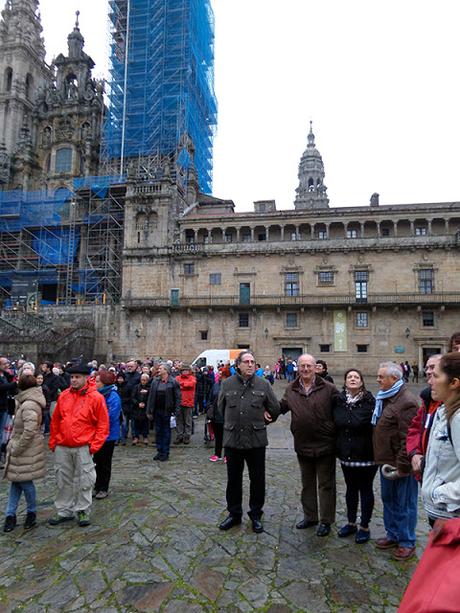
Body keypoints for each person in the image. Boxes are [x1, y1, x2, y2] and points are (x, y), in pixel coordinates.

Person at [218, 350, 280, 534]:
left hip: (256, 440)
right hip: (233, 440)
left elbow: (274, 408)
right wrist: (233, 422)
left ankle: (255, 515)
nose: (251, 364)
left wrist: (265, 418)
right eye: (246, 361)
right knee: (233, 480)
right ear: (238, 365)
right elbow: (221, 408)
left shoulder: (264, 384)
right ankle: (234, 514)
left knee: (257, 480)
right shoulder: (227, 384)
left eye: (253, 361)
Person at [280, 353, 339, 537]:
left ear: (315, 368)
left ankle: (326, 520)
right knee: (307, 484)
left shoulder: (329, 388)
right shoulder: (291, 389)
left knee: (326, 484)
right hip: (303, 443)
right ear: (298, 367)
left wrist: (332, 429)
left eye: (309, 366)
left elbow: (341, 412)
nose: (305, 369)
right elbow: (281, 406)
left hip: (325, 444)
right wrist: (265, 413)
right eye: (302, 366)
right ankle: (310, 516)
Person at [48, 362, 109, 527]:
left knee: (85, 480)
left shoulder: (96, 397)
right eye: (72, 377)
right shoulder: (64, 396)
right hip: (63, 445)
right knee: (62, 479)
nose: (73, 380)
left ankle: (82, 509)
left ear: (86, 378)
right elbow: (56, 421)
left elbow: (103, 425)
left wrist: (94, 446)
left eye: (77, 377)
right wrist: (54, 442)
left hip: (83, 445)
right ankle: (64, 510)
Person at [372, 362, 419, 560]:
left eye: (382, 377)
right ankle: (393, 534)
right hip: (386, 462)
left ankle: (407, 541)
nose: (378, 380)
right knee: (388, 499)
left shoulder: (406, 401)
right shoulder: (385, 397)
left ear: (394, 379)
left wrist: (402, 467)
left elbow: (407, 438)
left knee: (405, 503)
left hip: (400, 465)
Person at [333, 369, 377, 543]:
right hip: (346, 453)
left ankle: (364, 526)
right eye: (349, 377)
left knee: (365, 489)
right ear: (344, 382)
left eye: (356, 377)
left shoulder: (370, 401)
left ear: (361, 382)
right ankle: (351, 523)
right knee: (350, 488)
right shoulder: (338, 401)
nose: (352, 379)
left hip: (366, 454)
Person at [3, 373, 46, 532]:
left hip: (25, 448)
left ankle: (31, 513)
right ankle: (10, 514)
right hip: (20, 446)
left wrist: (17, 447)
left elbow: (29, 430)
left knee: (25, 482)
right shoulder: (24, 401)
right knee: (16, 481)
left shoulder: (28, 404)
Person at [422, 353, 460, 524]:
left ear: (454, 383)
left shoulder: (458, 418)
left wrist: (438, 493)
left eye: (435, 376)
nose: (429, 381)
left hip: (451, 517)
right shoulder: (442, 411)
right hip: (440, 513)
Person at [407, 354, 442, 482]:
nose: (428, 372)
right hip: (425, 472)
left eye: (432, 367)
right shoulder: (427, 399)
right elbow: (415, 429)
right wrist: (415, 453)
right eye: (427, 368)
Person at [93, 371, 121, 499]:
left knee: (104, 463)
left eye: (98, 381)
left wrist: (94, 420)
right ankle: (97, 486)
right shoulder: (96, 395)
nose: (95, 383)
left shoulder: (113, 396)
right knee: (96, 462)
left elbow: (111, 416)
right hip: (96, 434)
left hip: (108, 435)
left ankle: (103, 487)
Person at [147, 363, 181, 462]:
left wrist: (176, 411)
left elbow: (178, 398)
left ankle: (165, 452)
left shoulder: (173, 382)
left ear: (166, 370)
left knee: (166, 432)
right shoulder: (155, 381)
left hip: (168, 411)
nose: (159, 370)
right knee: (158, 431)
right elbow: (151, 397)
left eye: (161, 368)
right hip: (157, 410)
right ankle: (159, 451)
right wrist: (149, 410)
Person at [0, 356, 16, 467]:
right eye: (5, 363)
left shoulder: (5, 375)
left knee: (3, 433)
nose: (7, 365)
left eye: (7, 363)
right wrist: (14, 383)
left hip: (5, 406)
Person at [175, 364, 196, 444]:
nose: (185, 372)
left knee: (188, 421)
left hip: (188, 402)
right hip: (179, 402)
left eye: (186, 370)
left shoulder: (192, 378)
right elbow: (176, 386)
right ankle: (179, 436)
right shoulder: (177, 378)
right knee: (179, 421)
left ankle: (187, 436)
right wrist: (183, 385)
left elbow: (190, 384)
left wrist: (181, 385)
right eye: (183, 370)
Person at [131, 372, 151, 445]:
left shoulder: (149, 388)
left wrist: (145, 404)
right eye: (142, 380)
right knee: (136, 423)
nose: (143, 381)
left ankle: (145, 437)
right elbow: (133, 397)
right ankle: (136, 437)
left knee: (145, 423)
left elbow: (150, 398)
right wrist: (137, 403)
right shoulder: (136, 387)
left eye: (144, 380)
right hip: (136, 408)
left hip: (145, 408)